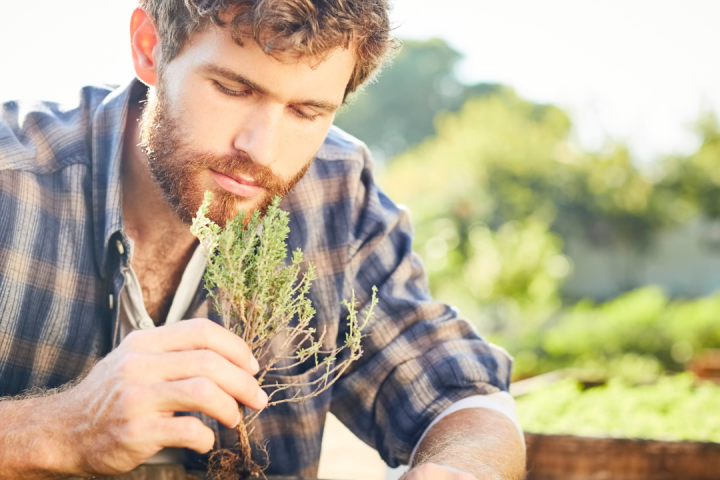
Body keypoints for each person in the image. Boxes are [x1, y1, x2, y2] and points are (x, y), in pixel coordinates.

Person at [0, 1, 526, 478]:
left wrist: (461, 470)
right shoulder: (12, 178)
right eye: (233, 89)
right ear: (149, 47)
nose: (262, 151)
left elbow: (462, 395)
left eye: (306, 112)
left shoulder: (337, 193)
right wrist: (57, 429)